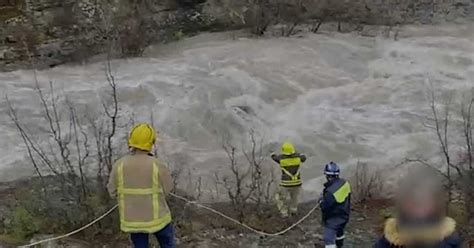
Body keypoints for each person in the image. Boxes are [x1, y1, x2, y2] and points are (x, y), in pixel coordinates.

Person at [107, 123, 176, 248]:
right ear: (151, 142)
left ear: (131, 142)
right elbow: (169, 189)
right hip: (159, 220)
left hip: (133, 222)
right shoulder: (157, 165)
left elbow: (112, 192)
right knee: (168, 244)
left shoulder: (119, 165)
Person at [374, 173, 462, 248]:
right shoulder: (389, 237)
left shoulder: (449, 239)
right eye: (411, 200)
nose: (417, 206)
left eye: (422, 200)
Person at [320, 162, 351, 248]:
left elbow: (325, 206)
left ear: (327, 176)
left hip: (333, 219)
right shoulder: (345, 183)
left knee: (328, 239)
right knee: (339, 233)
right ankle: (340, 245)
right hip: (344, 215)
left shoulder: (330, 192)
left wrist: (321, 201)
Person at [271, 142, 307, 217]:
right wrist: (298, 153)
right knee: (294, 198)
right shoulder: (298, 158)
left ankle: (284, 213)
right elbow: (304, 157)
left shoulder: (281, 159)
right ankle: (293, 210)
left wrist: (272, 153)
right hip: (297, 182)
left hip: (286, 183)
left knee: (280, 198)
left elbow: (274, 157)